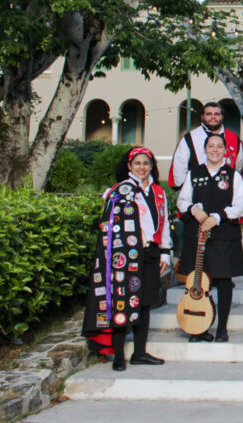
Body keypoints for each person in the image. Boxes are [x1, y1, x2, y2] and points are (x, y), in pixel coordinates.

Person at [83, 147, 171, 371]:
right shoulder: (120, 190)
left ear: (151, 166)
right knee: (122, 302)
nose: (142, 167)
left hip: (151, 252)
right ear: (129, 166)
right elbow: (110, 224)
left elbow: (164, 222)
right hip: (125, 256)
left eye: (146, 163)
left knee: (145, 303)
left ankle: (140, 353)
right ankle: (119, 356)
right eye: (137, 163)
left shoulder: (158, 192)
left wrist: (165, 252)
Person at [177, 133, 243, 342]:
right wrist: (193, 209)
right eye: (211, 146)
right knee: (197, 281)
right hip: (197, 237)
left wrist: (218, 217)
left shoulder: (233, 175)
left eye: (219, 146)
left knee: (224, 281)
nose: (215, 150)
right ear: (205, 149)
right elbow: (182, 201)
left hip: (223, 236)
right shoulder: (194, 173)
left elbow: (241, 205)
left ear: (225, 151)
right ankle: (198, 328)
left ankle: (222, 328)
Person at [168, 101, 243, 189]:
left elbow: (238, 167)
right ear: (202, 117)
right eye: (209, 114)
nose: (213, 117)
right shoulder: (190, 138)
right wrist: (185, 188)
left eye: (217, 114)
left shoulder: (233, 138)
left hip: (226, 188)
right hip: (196, 189)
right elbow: (179, 166)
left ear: (222, 117)